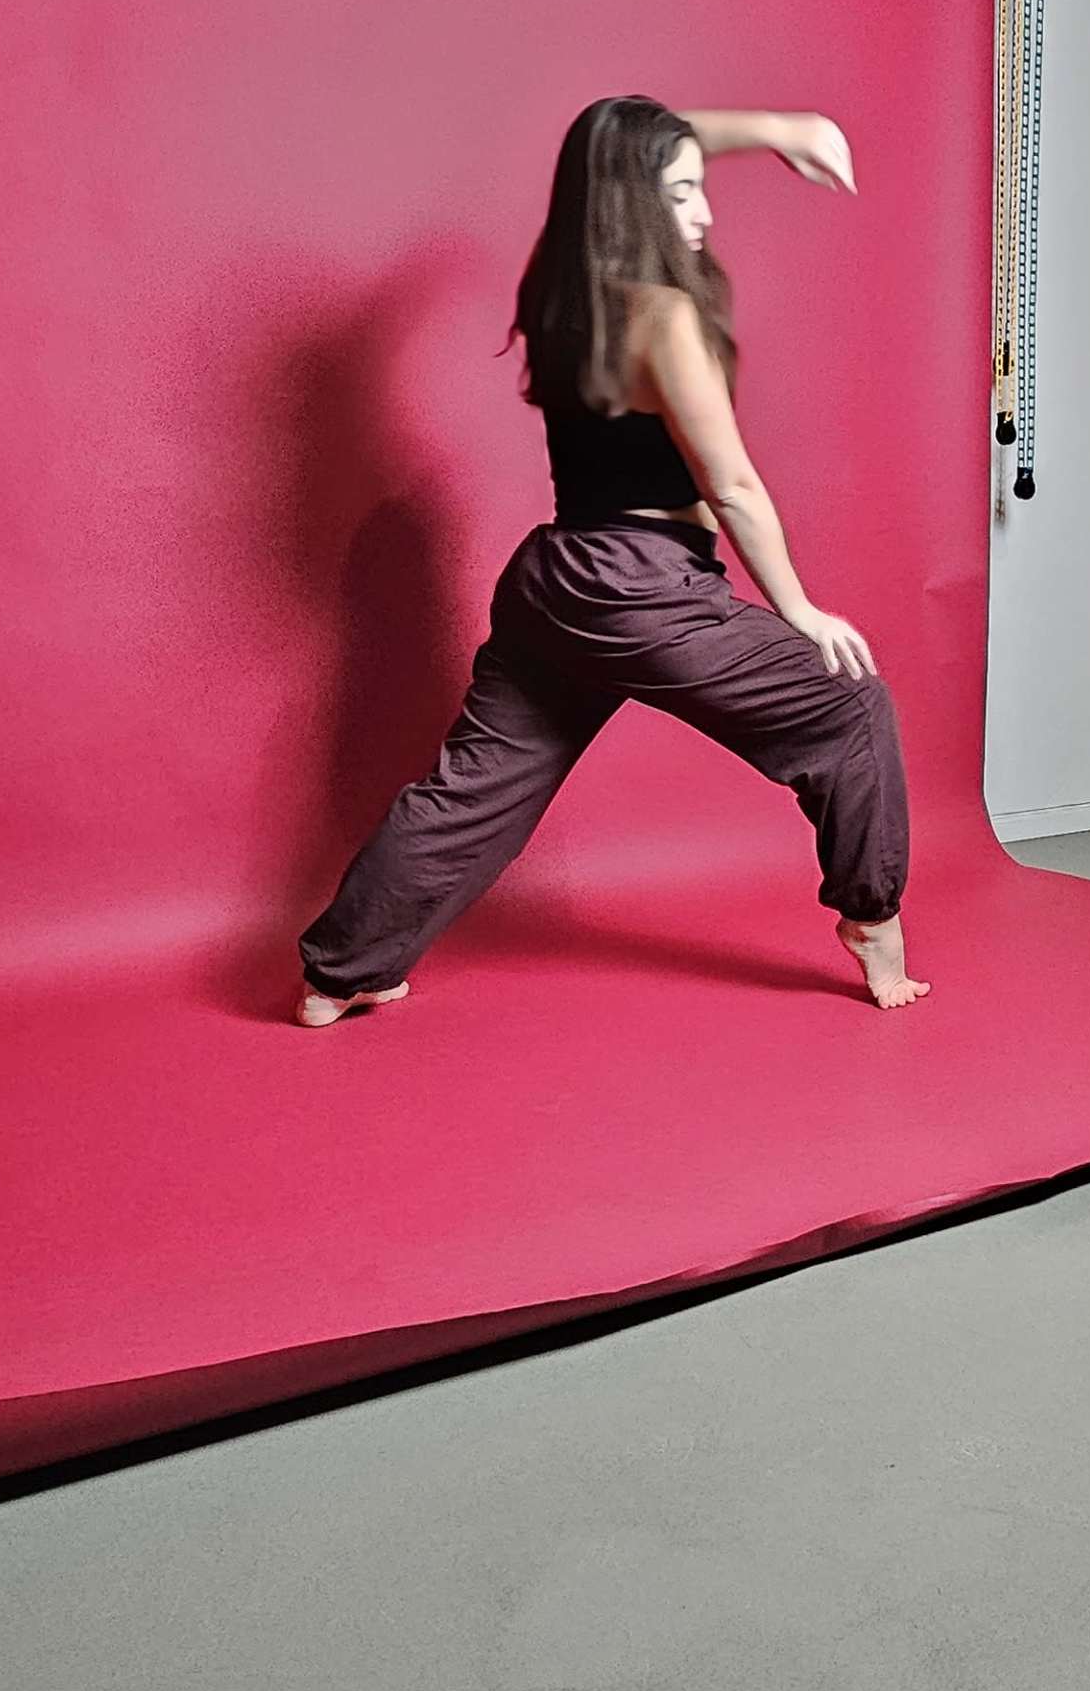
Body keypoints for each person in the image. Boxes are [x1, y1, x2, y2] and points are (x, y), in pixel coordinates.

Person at [296, 95, 928, 1023]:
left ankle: (338, 972)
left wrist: (776, 134)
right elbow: (734, 485)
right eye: (682, 194)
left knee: (473, 794)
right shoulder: (664, 316)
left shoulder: (560, 294)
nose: (704, 212)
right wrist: (801, 611)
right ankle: (870, 921)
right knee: (850, 700)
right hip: (639, 585)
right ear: (636, 202)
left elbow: (622, 145)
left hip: (553, 584)